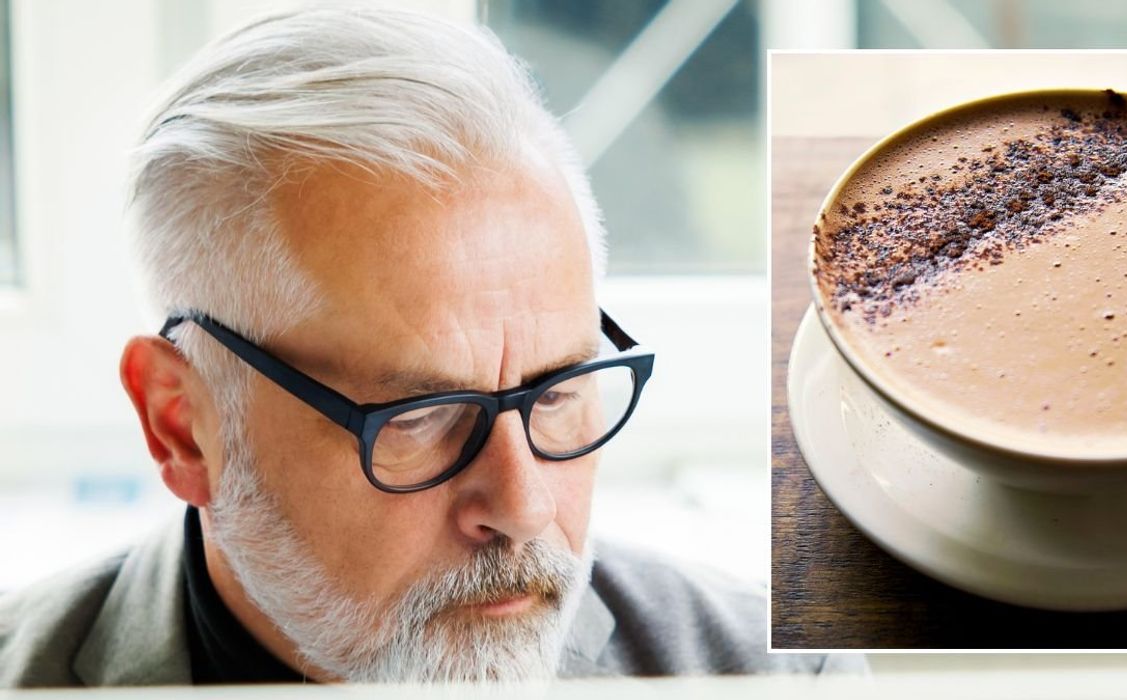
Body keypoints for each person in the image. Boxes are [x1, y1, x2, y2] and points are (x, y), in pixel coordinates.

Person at [0, 7, 865, 686]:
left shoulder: (775, 677)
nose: (523, 507)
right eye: (421, 414)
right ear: (181, 425)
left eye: (558, 391)